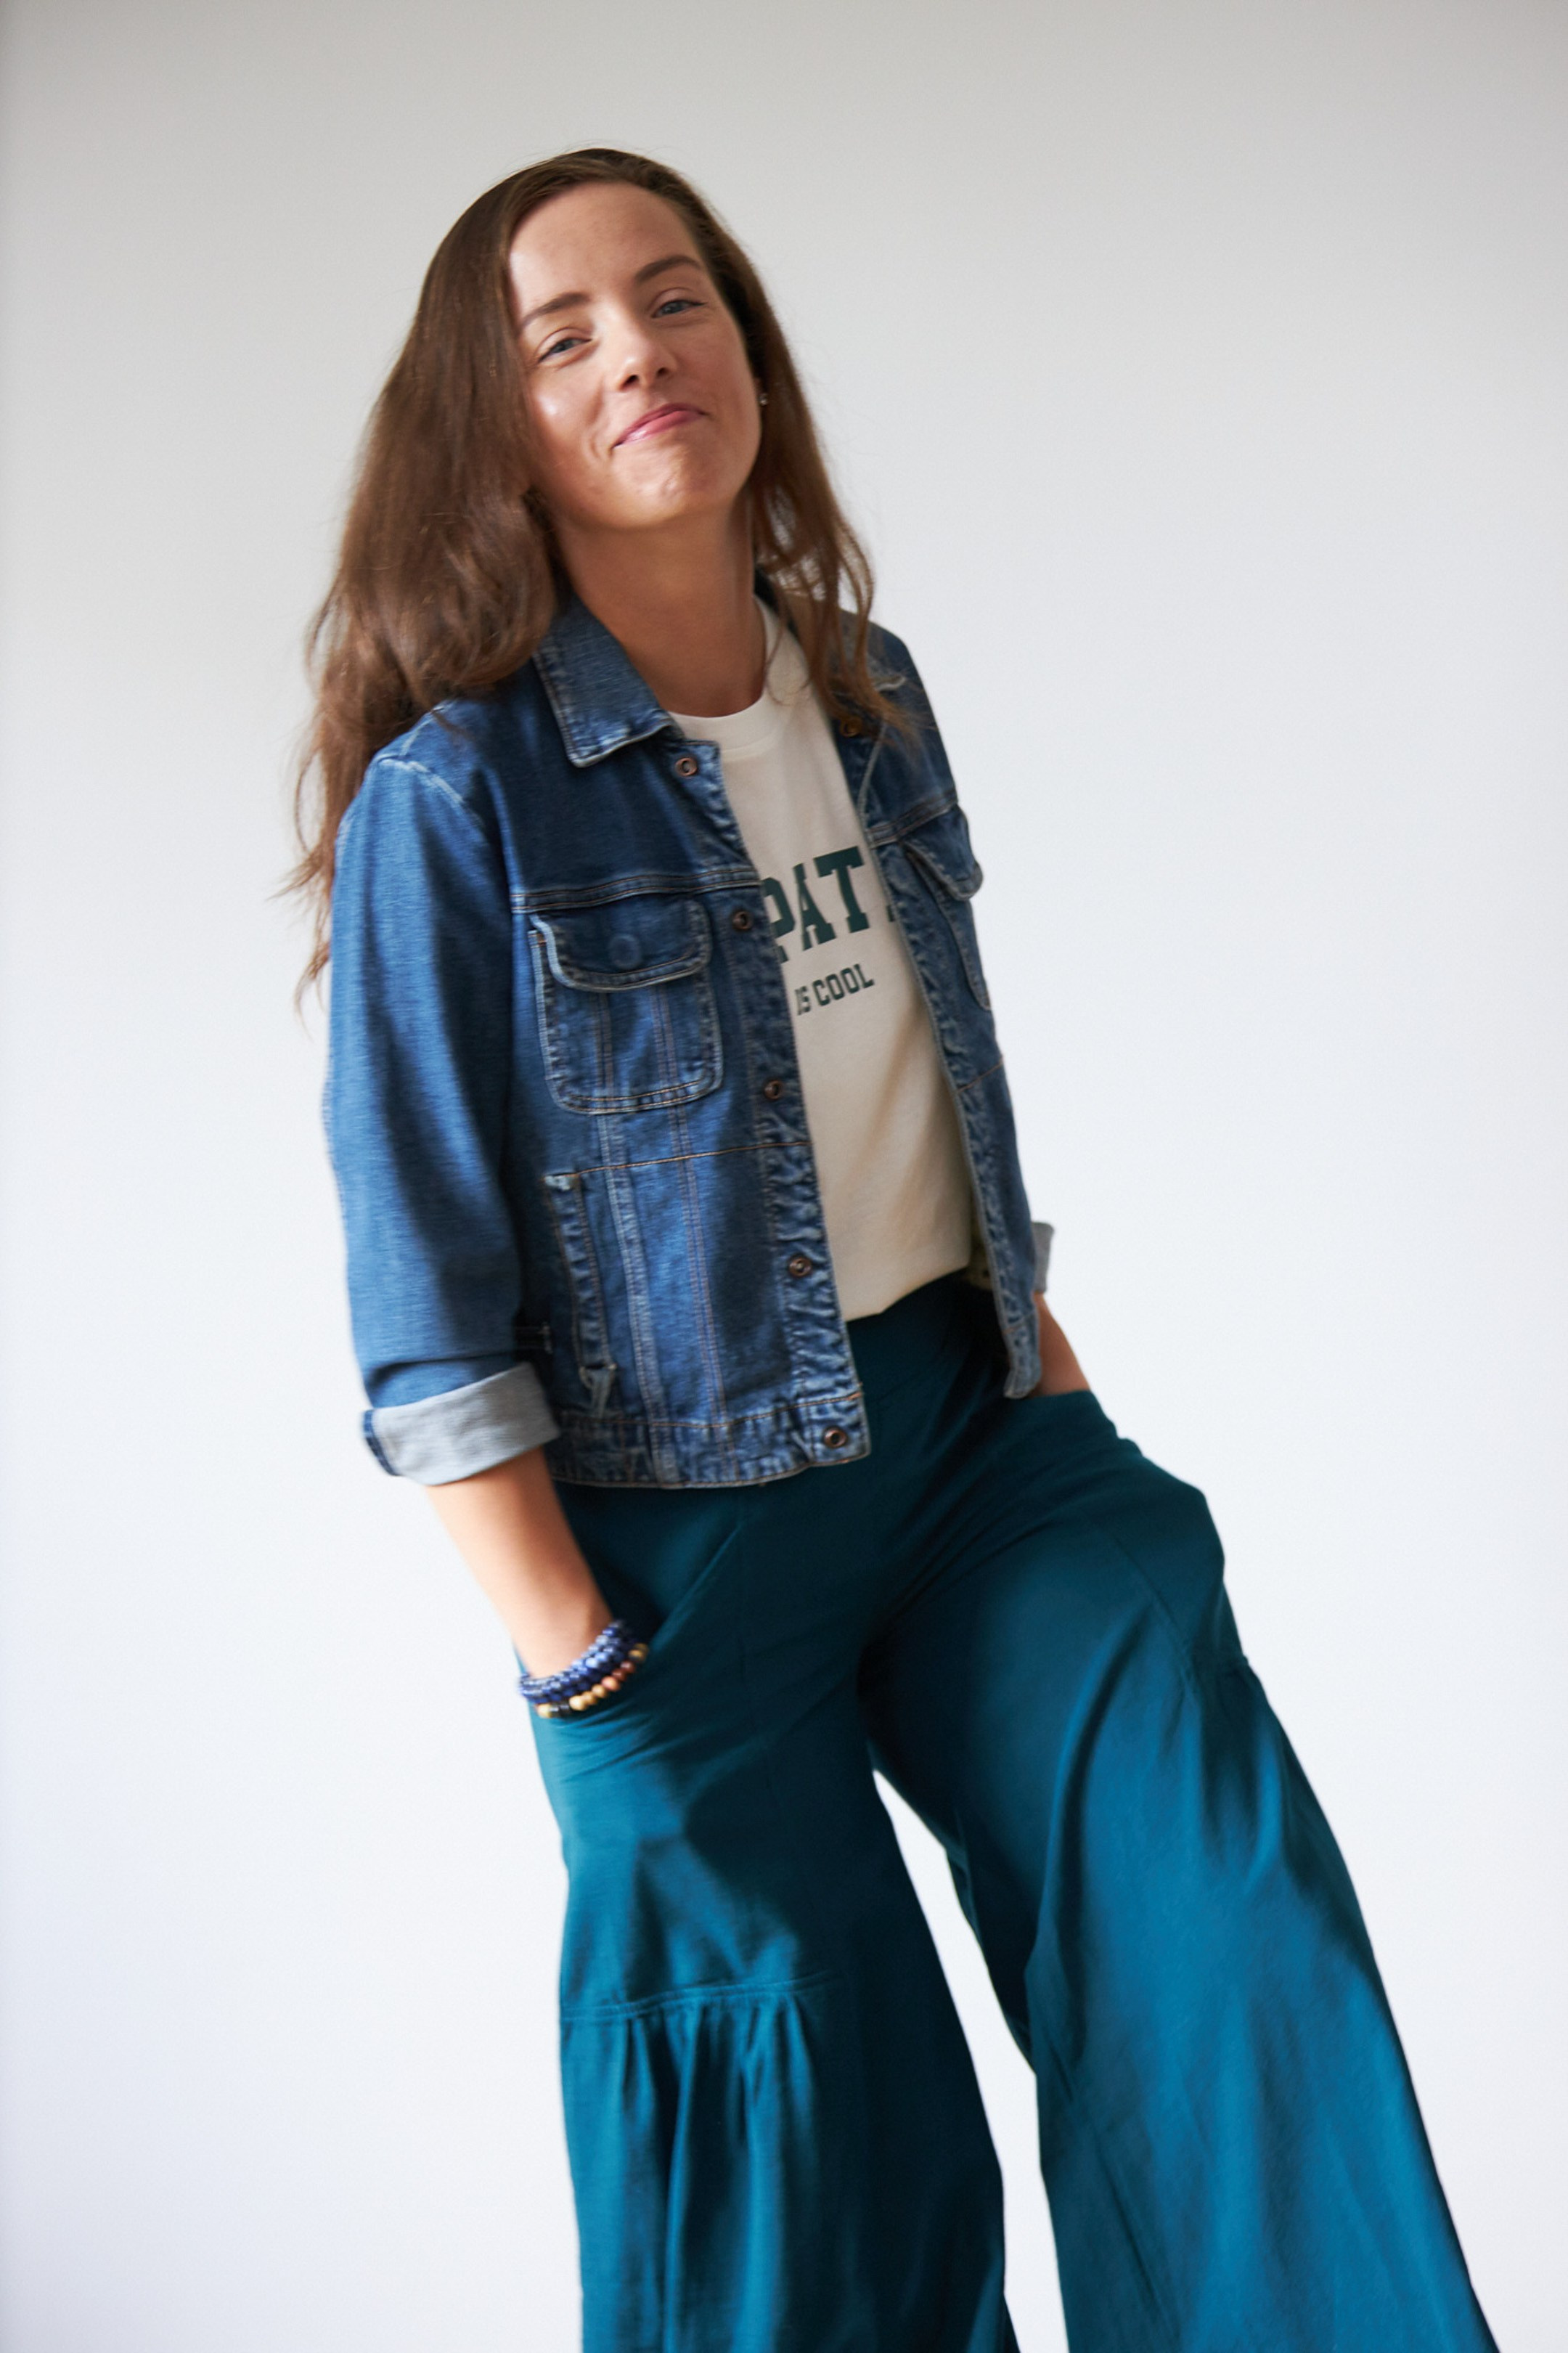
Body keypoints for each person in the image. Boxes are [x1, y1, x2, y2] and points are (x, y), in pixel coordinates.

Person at [295, 148, 1498, 2353]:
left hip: (973, 1445)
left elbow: (928, 1065)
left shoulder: (867, 687)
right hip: (678, 1550)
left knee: (1226, 1941)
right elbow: (421, 1291)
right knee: (813, 2164)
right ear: (496, 436)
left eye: (678, 301)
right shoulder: (458, 799)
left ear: (747, 347)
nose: (638, 353)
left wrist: (1032, 1345)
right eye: (559, 338)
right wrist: (573, 1657)